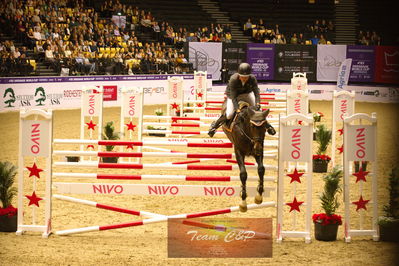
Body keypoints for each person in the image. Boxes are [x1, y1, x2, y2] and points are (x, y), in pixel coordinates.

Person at [208, 62, 261, 137]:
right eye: (242, 77)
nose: (244, 79)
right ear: (238, 75)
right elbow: (234, 97)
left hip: (246, 94)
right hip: (233, 95)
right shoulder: (233, 79)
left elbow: (256, 91)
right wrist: (237, 109)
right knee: (229, 114)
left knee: (258, 111)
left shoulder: (252, 78)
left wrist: (258, 103)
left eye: (246, 77)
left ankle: (267, 127)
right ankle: (214, 126)